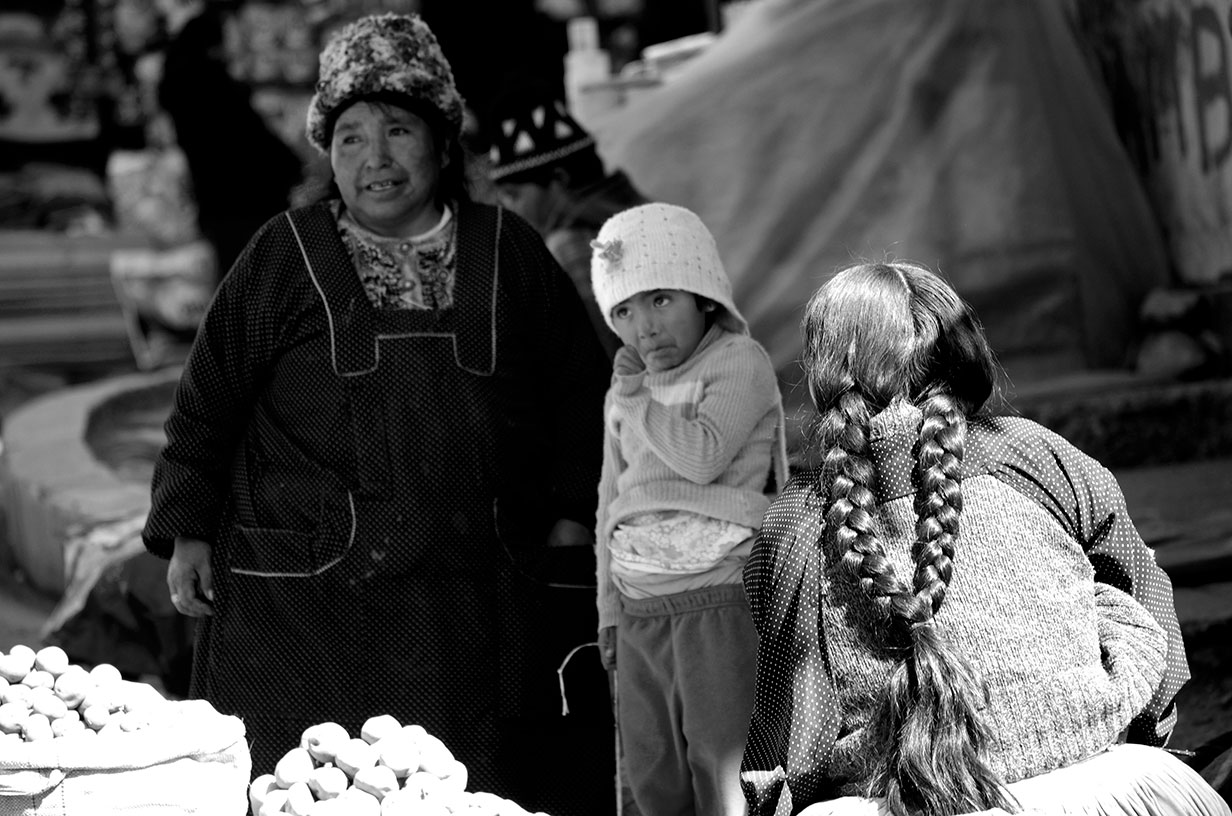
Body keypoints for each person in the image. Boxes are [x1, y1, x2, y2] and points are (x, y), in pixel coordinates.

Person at [141, 12, 612, 811]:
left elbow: (580, 396)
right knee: (311, 785)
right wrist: (189, 531)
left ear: (443, 142)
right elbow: (208, 401)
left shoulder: (511, 252)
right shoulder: (282, 255)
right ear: (327, 153)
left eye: (398, 130)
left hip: (480, 596)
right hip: (310, 604)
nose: (375, 158)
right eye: (350, 137)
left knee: (480, 790)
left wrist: (571, 523)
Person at [739, 260, 1229, 816]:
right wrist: (1136, 732)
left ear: (826, 370)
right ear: (962, 352)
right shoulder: (1037, 454)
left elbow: (792, 725)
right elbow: (1147, 603)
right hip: (1114, 788)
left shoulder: (796, 520)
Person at [590, 202, 790, 816]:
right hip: (639, 605)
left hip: (719, 597)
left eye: (660, 299)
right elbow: (610, 501)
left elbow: (703, 457)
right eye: (624, 310)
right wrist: (608, 610)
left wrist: (638, 401)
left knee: (720, 767)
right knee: (652, 772)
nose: (644, 327)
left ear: (703, 296)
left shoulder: (738, 361)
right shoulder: (624, 390)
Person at [487, 91, 647, 359]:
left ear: (559, 180)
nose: (510, 209)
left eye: (514, 195)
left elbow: (611, 363)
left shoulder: (570, 247)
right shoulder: (644, 212)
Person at [151, 0, 302, 281]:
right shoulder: (217, 90)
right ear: (213, 46)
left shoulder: (183, 87)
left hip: (217, 204)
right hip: (249, 202)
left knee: (237, 282)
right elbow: (257, 145)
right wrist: (294, 168)